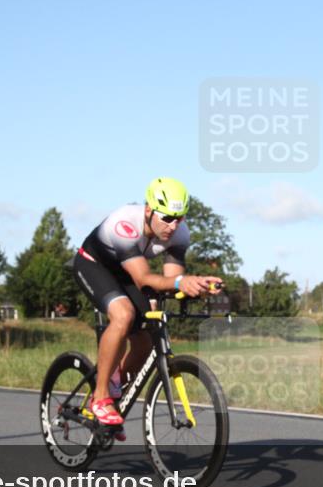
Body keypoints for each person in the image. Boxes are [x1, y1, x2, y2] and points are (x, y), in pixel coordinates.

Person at [72, 178, 222, 430]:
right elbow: (144, 279)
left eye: (179, 218)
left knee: (145, 340)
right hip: (93, 265)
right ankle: (99, 397)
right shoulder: (125, 224)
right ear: (149, 210)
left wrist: (197, 287)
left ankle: (114, 390)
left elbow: (169, 279)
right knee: (123, 315)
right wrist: (180, 282)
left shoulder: (180, 234)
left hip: (125, 273)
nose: (173, 226)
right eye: (166, 217)